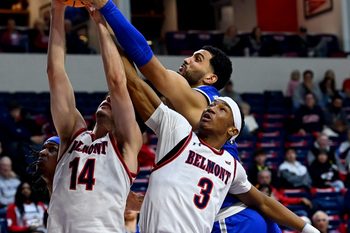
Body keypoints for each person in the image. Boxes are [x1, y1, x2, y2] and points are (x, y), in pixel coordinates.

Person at [84, 0, 284, 231]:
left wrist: (107, 8)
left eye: (197, 59)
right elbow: (132, 82)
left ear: (211, 78)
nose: (187, 60)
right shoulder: (183, 109)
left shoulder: (201, 99)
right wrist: (103, 29)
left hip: (229, 214)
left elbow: (144, 57)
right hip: (204, 209)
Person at [118, 38, 320, 232]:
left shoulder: (199, 103)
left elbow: (145, 74)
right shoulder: (227, 163)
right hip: (244, 215)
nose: (212, 110)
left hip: (231, 219)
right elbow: (262, 201)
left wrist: (106, 16)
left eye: (197, 58)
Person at [45, 1, 142, 232]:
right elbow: (55, 73)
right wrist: (57, 10)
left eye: (114, 101)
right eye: (105, 97)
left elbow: (118, 83)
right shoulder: (73, 134)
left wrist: (100, 21)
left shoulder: (127, 144)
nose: (109, 98)